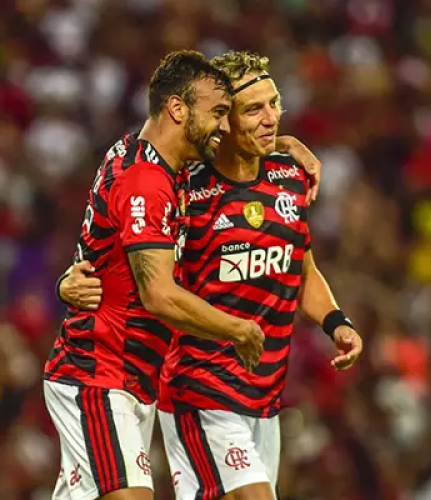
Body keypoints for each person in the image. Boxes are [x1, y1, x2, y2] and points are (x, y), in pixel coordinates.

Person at [61, 51, 362, 500]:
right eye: (251, 109)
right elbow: (135, 250)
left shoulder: (290, 178)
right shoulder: (187, 184)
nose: (270, 118)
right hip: (198, 387)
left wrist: (337, 323)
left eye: (274, 104)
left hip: (264, 397)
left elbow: (303, 267)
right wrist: (70, 278)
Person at [43, 50, 267, 500]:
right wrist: (238, 329)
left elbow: (102, 253)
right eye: (218, 113)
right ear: (178, 108)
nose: (225, 126)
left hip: (130, 380)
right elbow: (159, 296)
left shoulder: (152, 160)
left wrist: (294, 149)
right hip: (97, 375)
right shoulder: (145, 179)